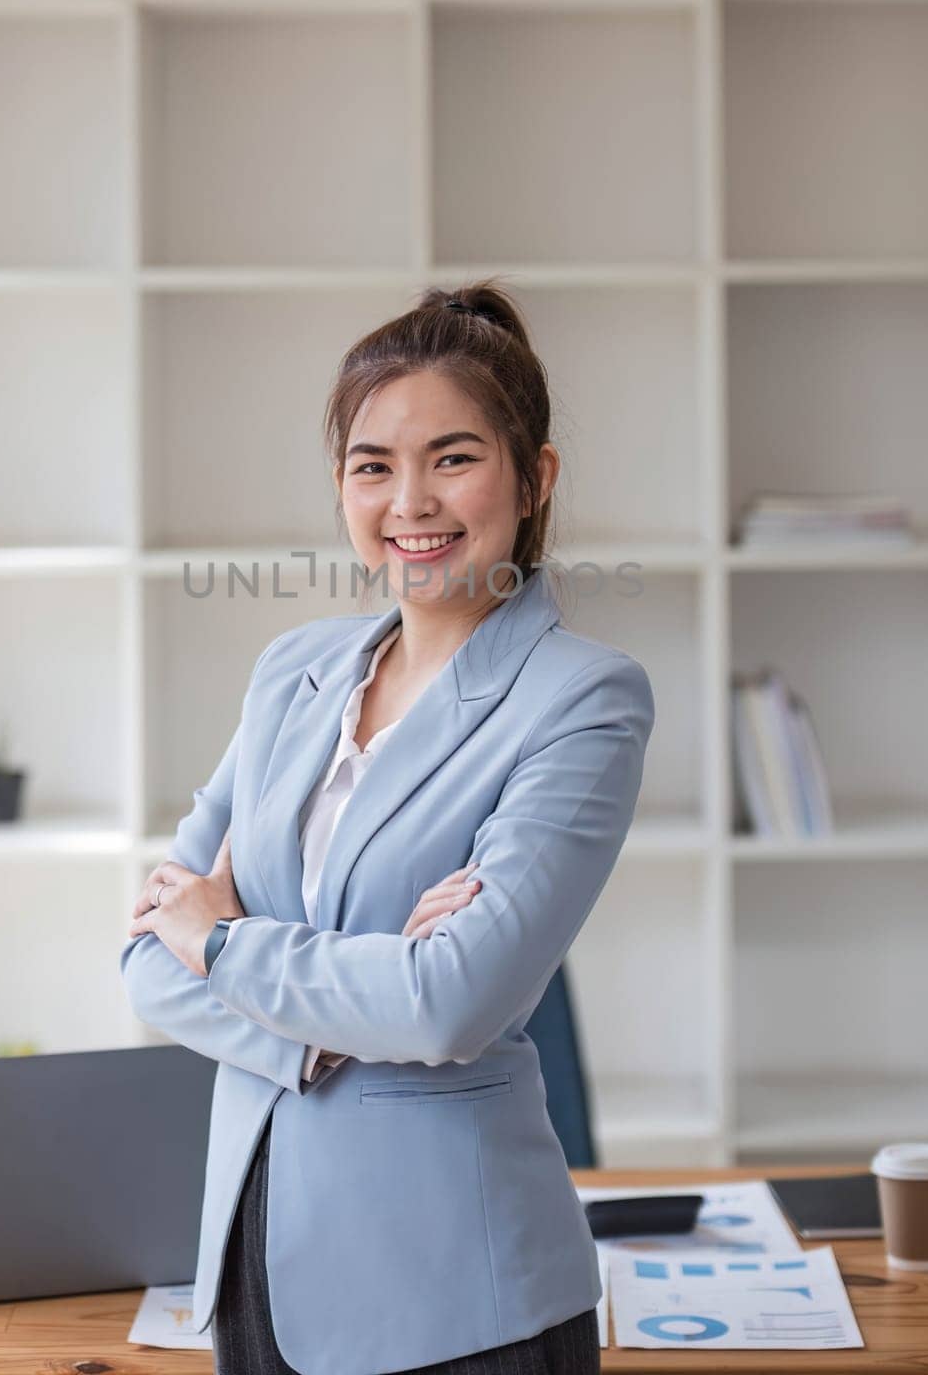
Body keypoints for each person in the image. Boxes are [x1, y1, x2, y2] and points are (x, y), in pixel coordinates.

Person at [120, 280, 655, 1375]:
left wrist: (224, 941)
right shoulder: (293, 672)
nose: (409, 500)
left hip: (457, 1294)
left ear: (532, 476)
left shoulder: (582, 698)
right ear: (342, 488)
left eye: (451, 457)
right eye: (373, 465)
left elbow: (451, 997)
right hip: (253, 1264)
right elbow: (143, 955)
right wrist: (349, 1006)